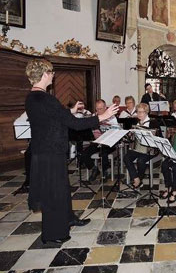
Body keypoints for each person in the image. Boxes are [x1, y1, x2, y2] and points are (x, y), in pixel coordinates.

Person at [25, 59, 118, 244]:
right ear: (44, 74)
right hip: (49, 152)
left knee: (62, 189)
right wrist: (102, 117)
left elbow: (55, 118)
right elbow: (74, 124)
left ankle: (68, 218)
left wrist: (70, 110)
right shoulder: (46, 98)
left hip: (45, 150)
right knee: (53, 194)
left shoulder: (32, 97)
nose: (53, 75)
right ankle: (54, 234)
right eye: (51, 72)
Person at [81, 99, 120, 182]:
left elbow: (117, 131)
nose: (98, 111)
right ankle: (94, 169)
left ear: (105, 108)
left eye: (101, 109)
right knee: (84, 154)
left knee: (103, 153)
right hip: (97, 141)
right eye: (97, 109)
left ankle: (105, 171)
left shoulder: (112, 117)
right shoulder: (93, 117)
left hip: (109, 143)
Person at [124, 103, 161, 189]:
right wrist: (131, 134)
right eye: (138, 112)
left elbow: (160, 138)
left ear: (146, 112)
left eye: (141, 112)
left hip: (150, 149)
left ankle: (139, 178)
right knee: (126, 157)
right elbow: (132, 140)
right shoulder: (136, 123)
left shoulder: (153, 123)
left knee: (140, 161)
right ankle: (136, 179)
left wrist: (152, 135)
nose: (139, 114)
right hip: (137, 148)